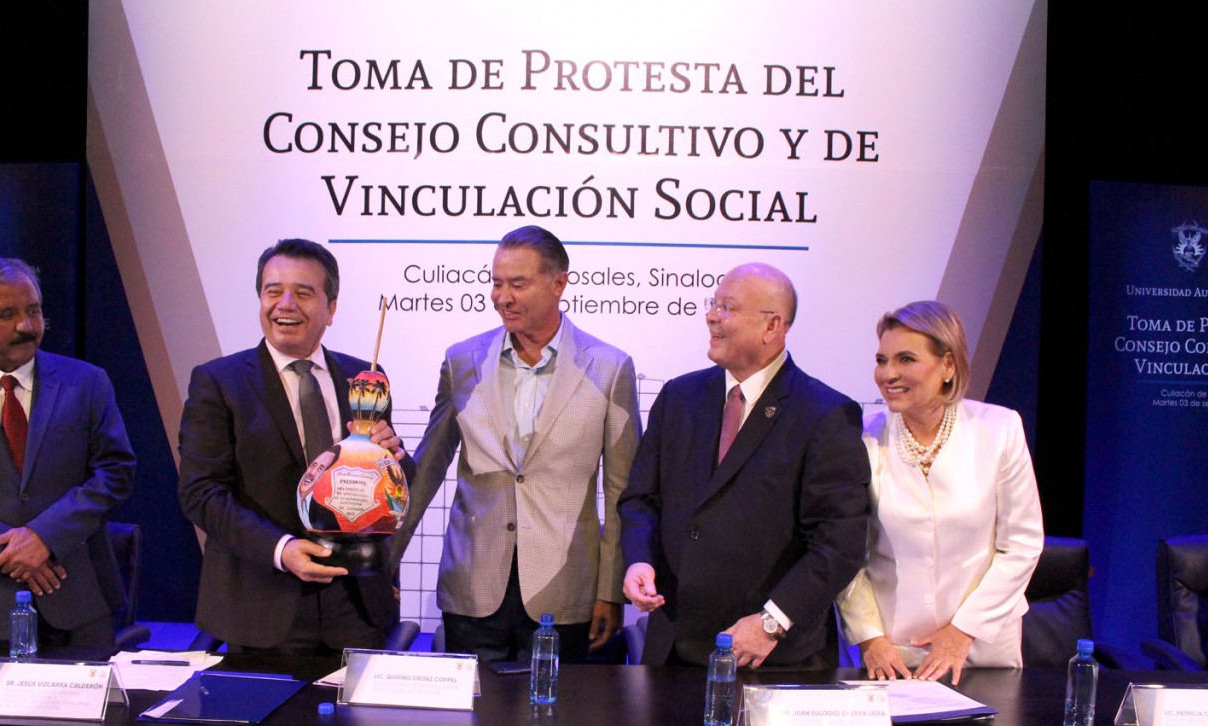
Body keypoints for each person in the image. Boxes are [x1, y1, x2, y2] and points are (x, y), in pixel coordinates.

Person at [388, 226, 641, 664]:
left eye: (518, 284)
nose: (502, 297)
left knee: (556, 709)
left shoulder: (609, 367)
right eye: (497, 283)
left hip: (566, 591)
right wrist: (387, 559)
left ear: (558, 284)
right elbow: (428, 467)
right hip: (473, 584)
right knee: (474, 709)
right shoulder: (462, 360)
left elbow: (622, 491)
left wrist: (610, 590)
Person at [620, 262, 871, 668]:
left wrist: (772, 622)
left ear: (772, 326)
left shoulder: (824, 413)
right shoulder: (678, 397)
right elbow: (641, 498)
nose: (711, 316)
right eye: (713, 304)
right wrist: (639, 559)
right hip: (673, 651)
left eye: (728, 308)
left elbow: (839, 542)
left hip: (771, 655)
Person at [178, 238, 413, 654]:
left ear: (331, 309)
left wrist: (395, 457)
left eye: (303, 293)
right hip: (262, 603)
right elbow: (201, 493)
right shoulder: (219, 382)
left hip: (356, 605)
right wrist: (281, 549)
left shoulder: (365, 377)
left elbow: (393, 487)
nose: (285, 304)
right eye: (274, 291)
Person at [836, 300, 1043, 684]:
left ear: (948, 365)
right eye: (882, 360)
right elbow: (842, 550)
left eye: (906, 359)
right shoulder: (861, 436)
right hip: (889, 652)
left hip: (982, 647)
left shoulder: (999, 429)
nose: (888, 374)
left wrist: (962, 631)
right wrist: (869, 637)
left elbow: (1022, 545)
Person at [0, 257, 136, 649]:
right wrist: (15, 551)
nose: (26, 326)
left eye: (33, 311)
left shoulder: (87, 383)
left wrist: (45, 537)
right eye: (7, 315)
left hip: (78, 604)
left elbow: (115, 472)